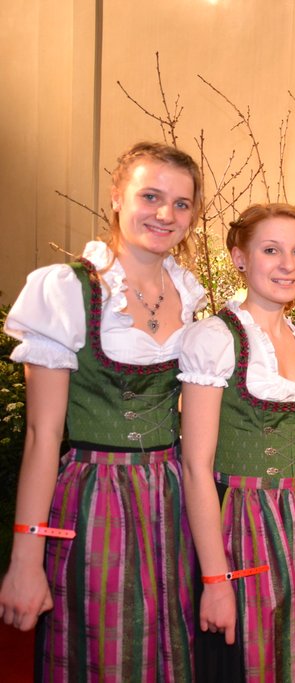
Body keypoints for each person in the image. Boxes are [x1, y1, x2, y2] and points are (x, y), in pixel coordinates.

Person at [0, 141, 205, 680]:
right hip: (95, 498)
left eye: (181, 203)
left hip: (173, 496)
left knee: (172, 649)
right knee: (103, 654)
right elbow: (43, 436)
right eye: (150, 196)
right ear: (116, 196)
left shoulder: (190, 294)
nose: (165, 214)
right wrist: (25, 561)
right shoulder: (68, 290)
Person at [178, 203, 295, 681]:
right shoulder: (215, 338)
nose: (287, 264)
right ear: (240, 258)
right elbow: (196, 466)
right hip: (240, 519)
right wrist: (215, 577)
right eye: (271, 250)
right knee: (247, 656)